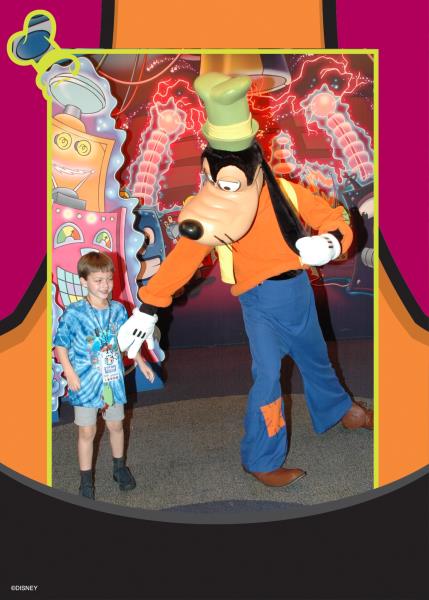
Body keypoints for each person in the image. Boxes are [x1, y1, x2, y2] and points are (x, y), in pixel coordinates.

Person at [118, 72, 373, 488]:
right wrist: (148, 307)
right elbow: (185, 256)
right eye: (211, 177)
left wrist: (331, 241)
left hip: (298, 293)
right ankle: (261, 458)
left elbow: (336, 219)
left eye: (229, 180)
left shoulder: (287, 193)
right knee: (268, 378)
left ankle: (342, 411)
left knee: (316, 360)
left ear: (255, 170)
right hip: (261, 303)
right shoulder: (216, 212)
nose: (218, 190)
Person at [54, 251, 154, 499]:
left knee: (116, 425)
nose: (105, 285)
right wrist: (69, 372)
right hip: (85, 383)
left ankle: (119, 468)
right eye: (98, 280)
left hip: (112, 381)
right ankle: (86, 480)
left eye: (109, 279)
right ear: (83, 281)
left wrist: (141, 362)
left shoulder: (119, 310)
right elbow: (60, 345)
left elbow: (127, 342)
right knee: (87, 432)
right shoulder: (74, 313)